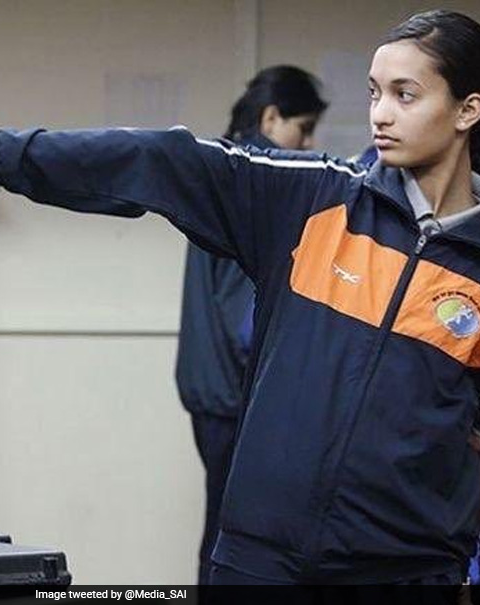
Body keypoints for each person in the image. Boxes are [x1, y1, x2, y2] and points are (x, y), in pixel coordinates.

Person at [0, 9, 480, 596]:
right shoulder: (313, 202)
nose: (380, 113)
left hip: (405, 580)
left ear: (468, 110)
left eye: (405, 95)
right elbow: (156, 158)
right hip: (259, 565)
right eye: (375, 91)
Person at [175, 65, 327, 585]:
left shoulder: (223, 168)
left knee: (220, 523)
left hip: (205, 386)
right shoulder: (260, 179)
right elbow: (248, 312)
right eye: (302, 129)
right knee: (235, 535)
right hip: (234, 390)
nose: (307, 146)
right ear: (270, 117)